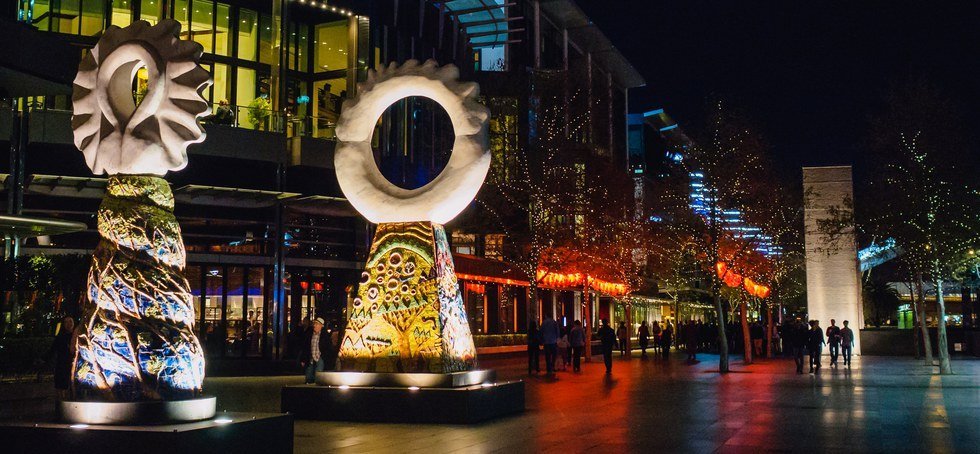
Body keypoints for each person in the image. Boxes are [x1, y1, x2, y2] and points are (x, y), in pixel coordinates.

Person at [46, 316, 75, 400]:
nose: (68, 324)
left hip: (73, 364)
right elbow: (53, 349)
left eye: (70, 321)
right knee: (60, 386)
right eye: (66, 322)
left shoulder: (76, 336)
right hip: (62, 364)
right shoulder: (60, 337)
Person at [299, 317, 331, 384]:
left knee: (318, 376)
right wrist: (303, 359)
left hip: (319, 357)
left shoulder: (325, 336)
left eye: (317, 324)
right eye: (314, 324)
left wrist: (325, 358)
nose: (314, 325)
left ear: (321, 326)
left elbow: (328, 348)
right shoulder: (309, 334)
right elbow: (305, 347)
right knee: (308, 376)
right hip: (310, 358)